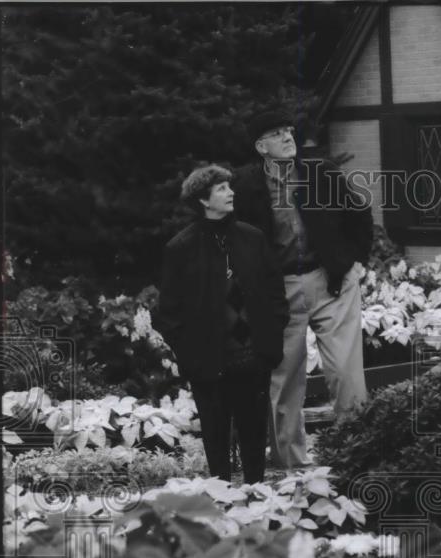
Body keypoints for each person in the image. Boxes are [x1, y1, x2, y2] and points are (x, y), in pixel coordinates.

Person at [233, 109, 373, 471]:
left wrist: (354, 261)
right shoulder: (245, 185)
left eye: (290, 131)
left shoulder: (320, 172)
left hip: (332, 282)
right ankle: (290, 468)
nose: (287, 138)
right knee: (284, 382)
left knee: (347, 375)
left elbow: (359, 213)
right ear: (261, 146)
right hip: (279, 291)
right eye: (277, 134)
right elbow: (234, 240)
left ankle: (354, 456)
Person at [157, 163, 288, 484]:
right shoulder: (181, 248)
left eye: (230, 187)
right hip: (209, 364)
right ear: (203, 199)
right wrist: (191, 355)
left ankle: (258, 497)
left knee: (254, 436)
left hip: (253, 358)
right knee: (216, 441)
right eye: (222, 189)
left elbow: (275, 294)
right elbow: (168, 313)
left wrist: (270, 339)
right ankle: (222, 503)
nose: (231, 193)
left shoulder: (252, 238)